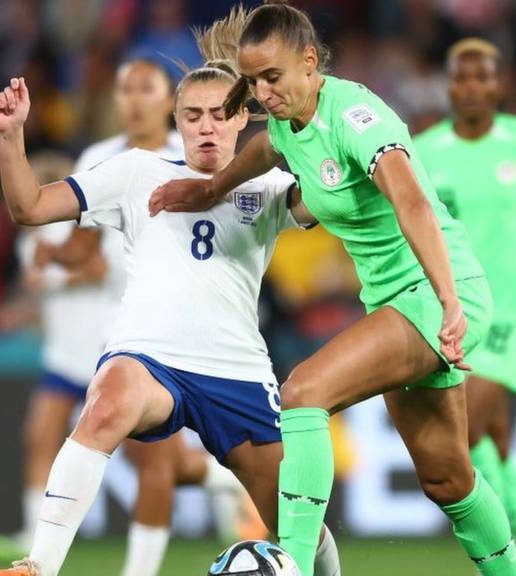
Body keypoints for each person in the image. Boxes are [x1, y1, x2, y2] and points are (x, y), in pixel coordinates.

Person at [147, 3, 516, 576]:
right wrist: (210, 190)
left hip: (436, 292)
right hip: (395, 302)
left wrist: (449, 300)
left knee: (304, 393)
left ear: (310, 62)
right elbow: (266, 147)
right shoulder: (287, 120)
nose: (263, 93)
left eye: (272, 77)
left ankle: (294, 566)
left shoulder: (356, 118)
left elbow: (413, 203)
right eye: (254, 82)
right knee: (447, 479)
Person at [0, 10, 340, 576]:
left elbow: (331, 198)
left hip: (235, 370)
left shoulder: (269, 186)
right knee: (107, 401)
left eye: (219, 115)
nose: (207, 127)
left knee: (295, 521)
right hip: (151, 356)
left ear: (241, 119)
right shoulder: (136, 172)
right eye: (193, 116)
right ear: (175, 121)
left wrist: (306, 129)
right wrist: (11, 137)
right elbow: (30, 207)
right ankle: (39, 564)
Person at [413, 38, 516, 576]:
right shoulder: (423, 150)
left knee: (465, 429)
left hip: (515, 311)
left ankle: (505, 561)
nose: (472, 87)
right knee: (491, 442)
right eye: (462, 77)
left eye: (483, 77)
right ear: (448, 85)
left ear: (501, 84)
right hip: (459, 311)